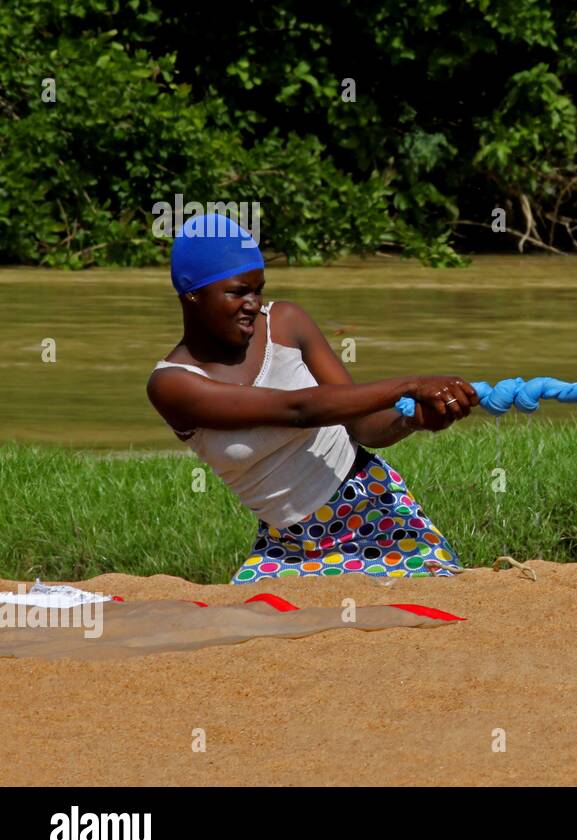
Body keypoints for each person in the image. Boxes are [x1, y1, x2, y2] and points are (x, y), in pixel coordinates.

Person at [147, 213, 479, 583]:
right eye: (238, 291)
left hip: (372, 509)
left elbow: (365, 429)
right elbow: (297, 409)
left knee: (424, 601)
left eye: (258, 290)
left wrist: (412, 420)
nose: (253, 303)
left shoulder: (287, 323)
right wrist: (412, 384)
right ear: (192, 294)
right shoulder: (172, 384)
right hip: (287, 543)